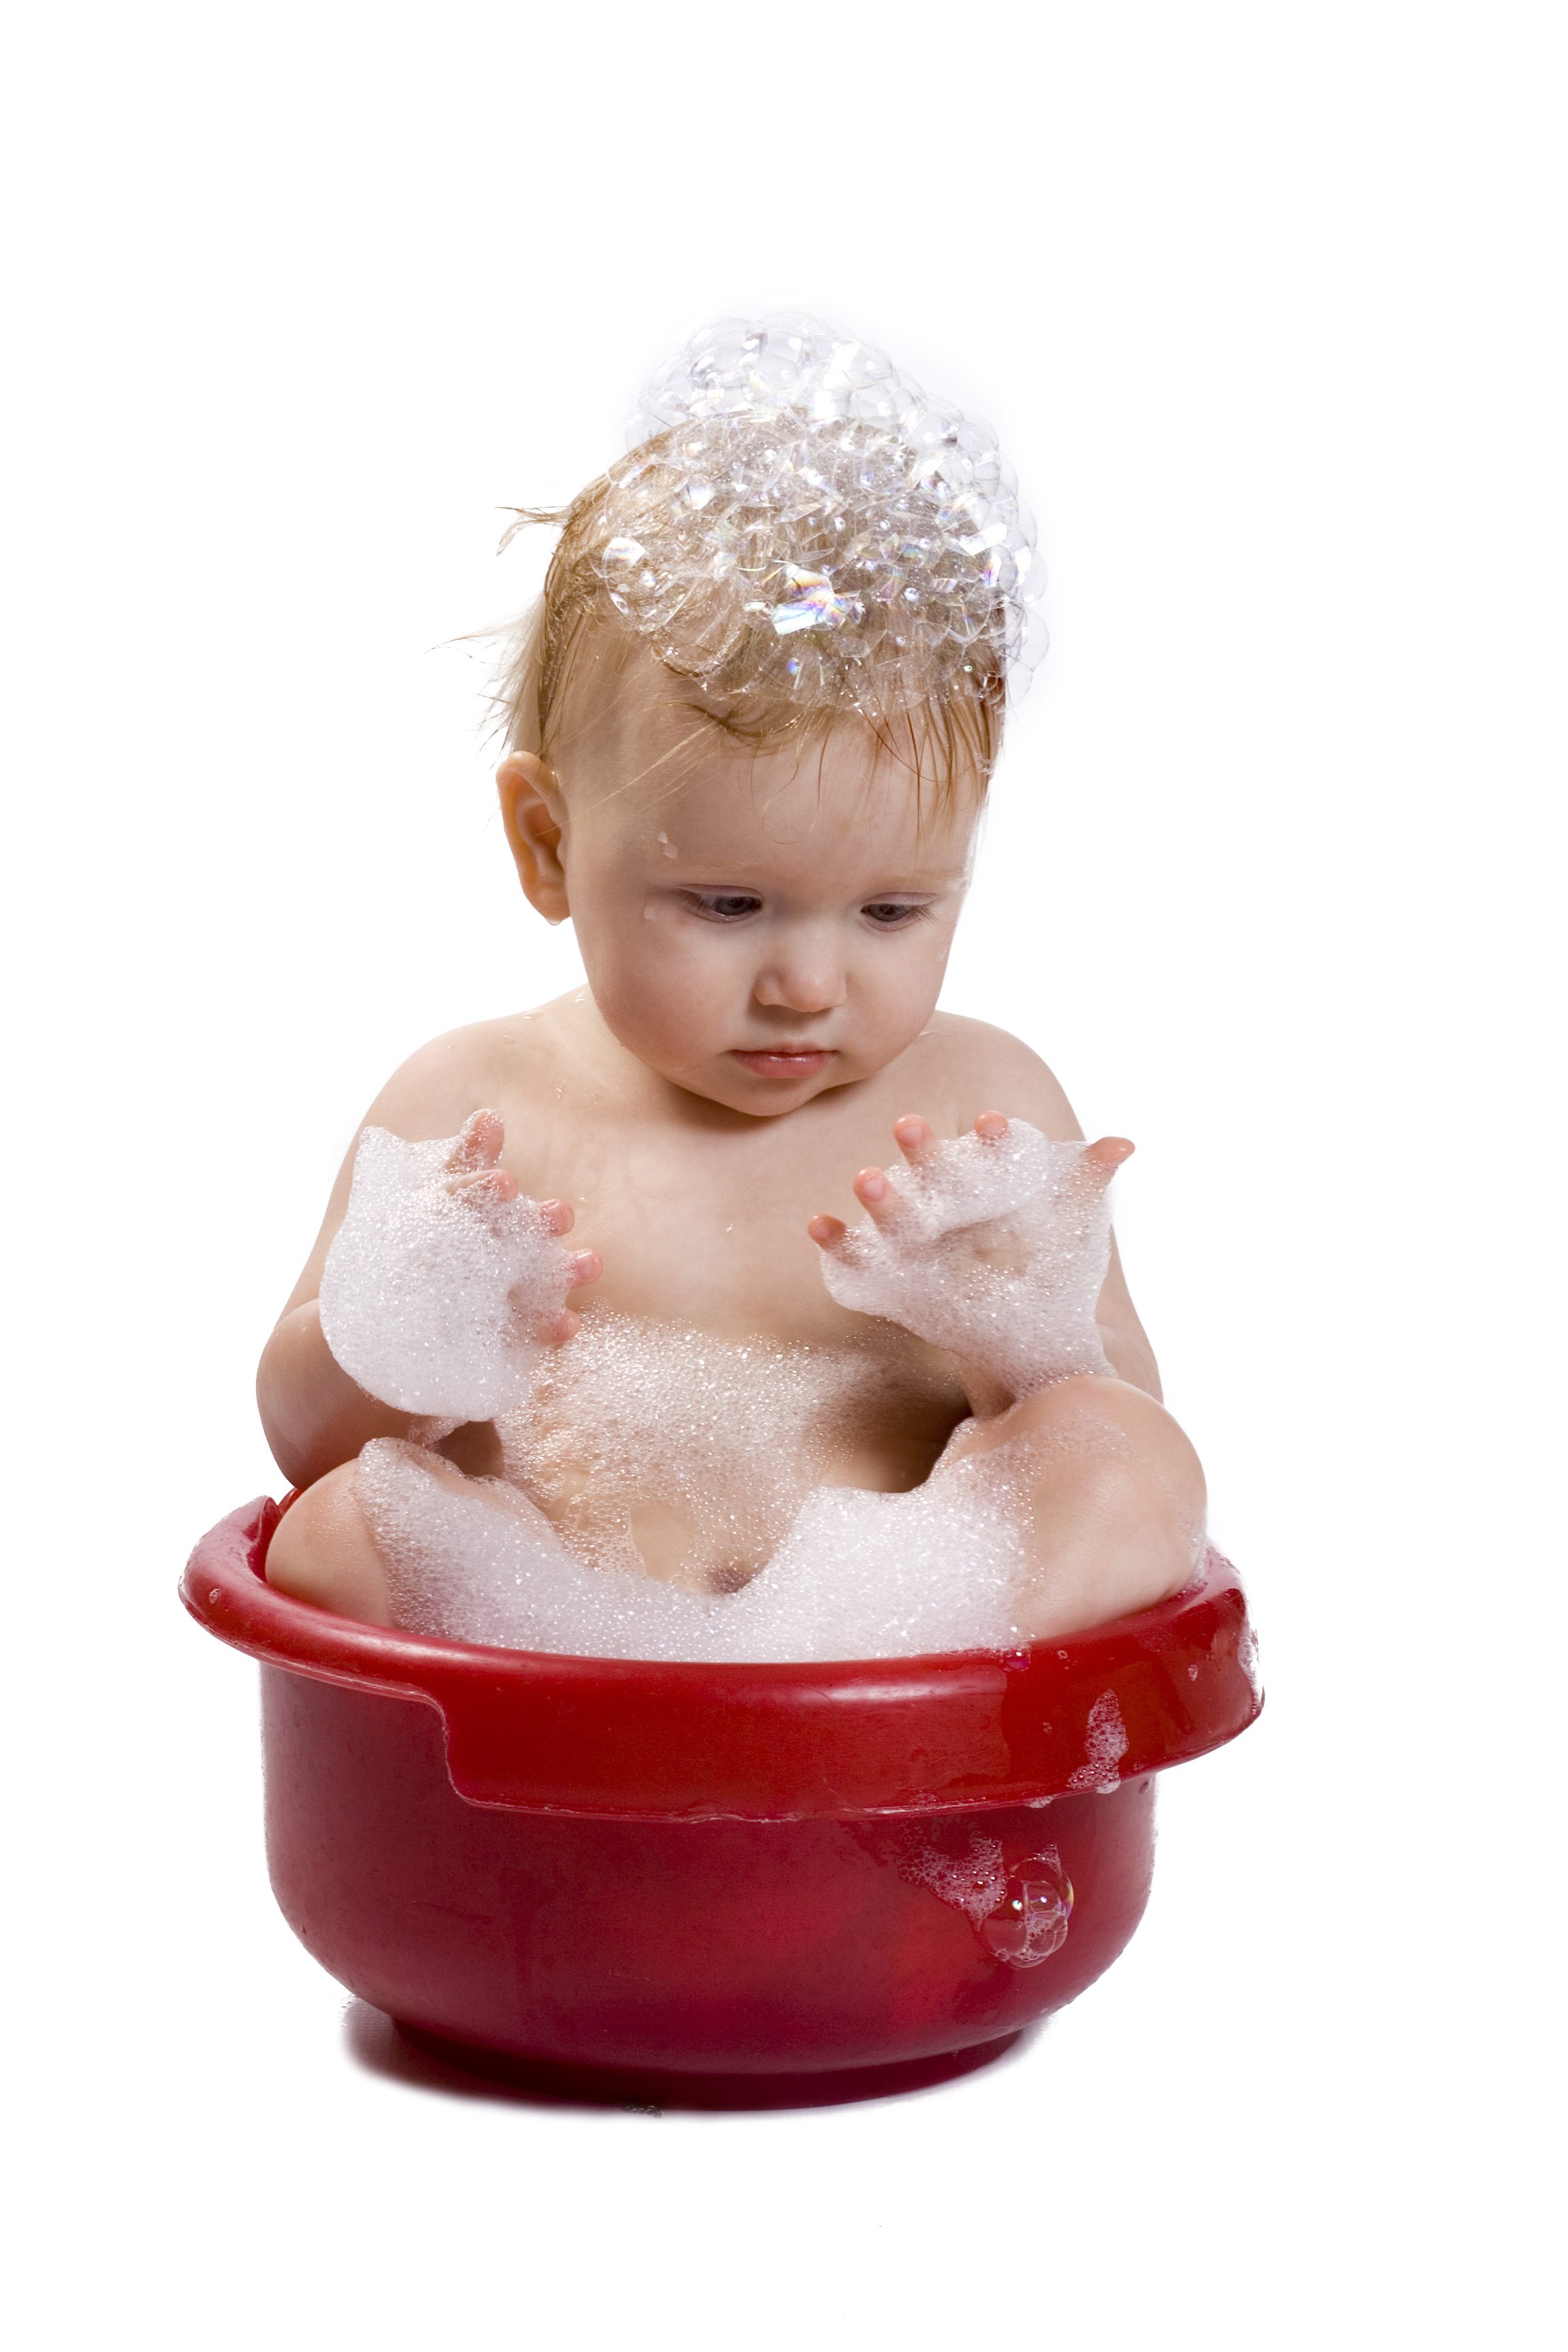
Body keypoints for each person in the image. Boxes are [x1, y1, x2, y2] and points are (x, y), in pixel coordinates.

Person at [259, 314, 1206, 1646]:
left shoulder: (982, 1107)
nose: (807, 983)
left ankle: (881, 1720)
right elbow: (306, 1441)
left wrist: (1019, 1342)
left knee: (1136, 1467)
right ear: (549, 844)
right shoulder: (476, 1109)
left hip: (898, 1687)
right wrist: (411, 1334)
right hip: (555, 1667)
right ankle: (616, 1741)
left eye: (892, 910)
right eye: (728, 905)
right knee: (336, 1533)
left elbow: (1111, 1408)